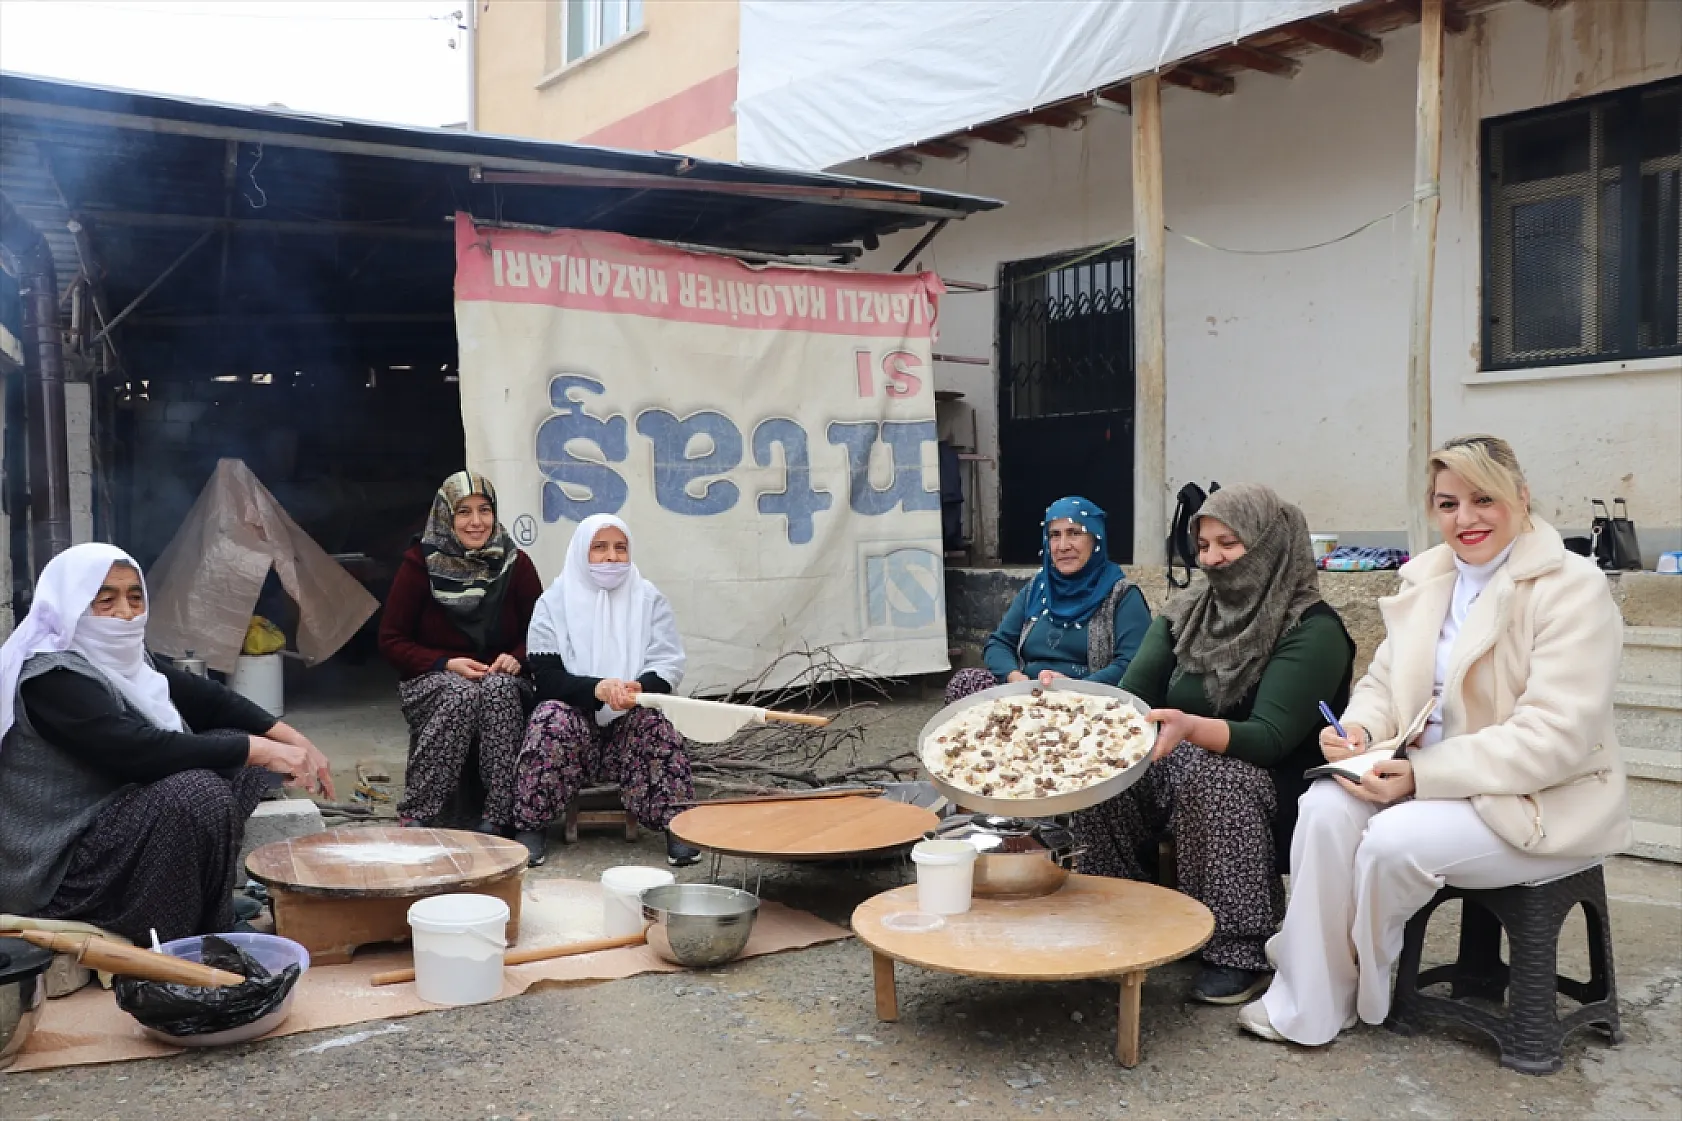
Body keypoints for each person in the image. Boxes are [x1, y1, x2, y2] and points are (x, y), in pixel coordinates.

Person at [1244, 436, 1632, 1045]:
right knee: (1321, 810)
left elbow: (1554, 736)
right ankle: (1310, 999)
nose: (1465, 518)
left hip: (1538, 798)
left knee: (1391, 843)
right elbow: (1382, 683)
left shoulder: (1572, 588)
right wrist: (1360, 730)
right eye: (1448, 504)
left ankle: (1359, 986)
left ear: (1521, 496)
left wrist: (1423, 776)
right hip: (1428, 779)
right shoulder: (1428, 580)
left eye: (1484, 499)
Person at [1072, 484, 1355, 1006]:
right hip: (1178, 759)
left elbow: (1269, 739)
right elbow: (1134, 697)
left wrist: (1190, 728)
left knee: (1215, 776)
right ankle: (1120, 917)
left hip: (1273, 784)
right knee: (1106, 771)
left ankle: (1239, 948)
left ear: (1270, 544)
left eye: (1229, 543)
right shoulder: (1187, 613)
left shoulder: (1311, 629)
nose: (1212, 559)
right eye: (1203, 546)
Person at [0, 543, 335, 944]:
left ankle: (206, 908)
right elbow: (138, 751)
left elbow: (207, 699)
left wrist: (290, 739)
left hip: (113, 825)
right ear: (68, 607)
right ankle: (170, 934)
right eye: (105, 601)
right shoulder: (51, 676)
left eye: (134, 597)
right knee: (198, 791)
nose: (125, 613)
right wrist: (258, 749)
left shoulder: (125, 660)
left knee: (234, 755)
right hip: (63, 866)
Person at [511, 514, 697, 867]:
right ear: (582, 551)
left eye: (620, 548)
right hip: (575, 719)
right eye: (600, 547)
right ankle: (531, 825)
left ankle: (679, 827)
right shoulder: (554, 602)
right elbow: (546, 677)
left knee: (657, 726)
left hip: (629, 715)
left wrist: (639, 688)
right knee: (549, 719)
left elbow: (668, 663)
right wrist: (596, 689)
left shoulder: (648, 598)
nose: (611, 556)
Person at [379, 471, 543, 831]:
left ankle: (499, 816)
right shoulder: (420, 564)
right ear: (445, 516)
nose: (476, 522)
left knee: (497, 691)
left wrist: (517, 656)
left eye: (484, 510)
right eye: (463, 512)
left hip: (501, 677)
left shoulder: (515, 564)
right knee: (461, 694)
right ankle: (418, 813)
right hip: (433, 678)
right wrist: (445, 663)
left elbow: (542, 633)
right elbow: (391, 640)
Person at [945, 496, 1151, 703]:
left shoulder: (1122, 595)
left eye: (1074, 533)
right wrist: (1014, 678)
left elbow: (1132, 664)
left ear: (1095, 538)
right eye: (1054, 535)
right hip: (1027, 695)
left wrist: (1074, 689)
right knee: (965, 682)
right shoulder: (1038, 588)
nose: (1063, 546)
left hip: (1088, 700)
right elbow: (999, 643)